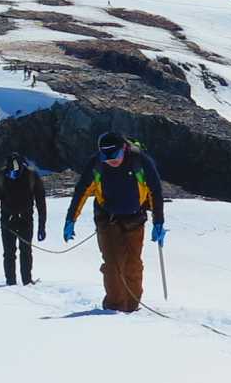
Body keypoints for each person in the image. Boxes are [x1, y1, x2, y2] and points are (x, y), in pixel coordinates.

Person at [63, 131, 165, 313]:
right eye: (106, 156)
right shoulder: (96, 164)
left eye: (114, 155)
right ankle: (113, 310)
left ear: (124, 148)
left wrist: (159, 222)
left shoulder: (140, 161)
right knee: (113, 265)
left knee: (133, 265)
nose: (111, 160)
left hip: (135, 218)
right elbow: (82, 191)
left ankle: (132, 308)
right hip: (107, 219)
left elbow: (155, 191)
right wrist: (71, 219)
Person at [0, 153, 48, 286]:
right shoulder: (30, 176)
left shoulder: (26, 176)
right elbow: (40, 203)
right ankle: (20, 282)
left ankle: (16, 282)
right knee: (20, 252)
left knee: (13, 253)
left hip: (12, 219)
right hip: (18, 220)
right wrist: (42, 225)